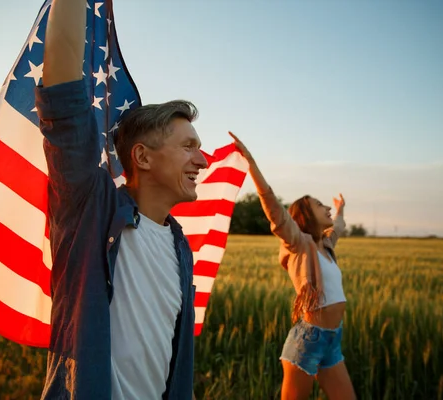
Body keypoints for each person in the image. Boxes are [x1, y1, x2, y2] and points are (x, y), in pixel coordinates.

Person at [35, 0, 208, 398]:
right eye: (188, 147)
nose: (202, 160)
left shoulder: (181, 247)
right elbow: (63, 99)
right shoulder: (90, 209)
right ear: (143, 157)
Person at [229, 132, 357, 400]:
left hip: (332, 340)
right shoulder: (299, 243)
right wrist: (251, 163)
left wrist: (340, 208)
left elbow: (340, 227)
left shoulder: (327, 245)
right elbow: (273, 207)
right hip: (307, 342)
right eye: (320, 205)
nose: (327, 209)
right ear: (306, 214)